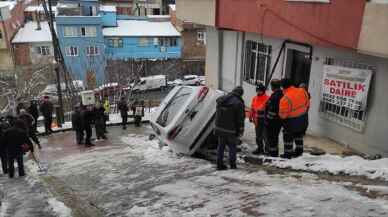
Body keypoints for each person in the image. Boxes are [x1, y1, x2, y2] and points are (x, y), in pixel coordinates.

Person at [214, 86, 245, 170]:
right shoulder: (239, 103)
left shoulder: (222, 99)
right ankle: (232, 165)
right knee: (232, 147)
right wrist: (241, 130)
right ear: (240, 94)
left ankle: (219, 164)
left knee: (220, 146)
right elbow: (240, 119)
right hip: (231, 130)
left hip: (219, 128)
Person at [279, 78, 310, 159]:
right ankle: (299, 151)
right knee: (299, 135)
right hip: (303, 118)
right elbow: (307, 104)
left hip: (291, 121)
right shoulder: (302, 91)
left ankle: (288, 154)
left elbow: (283, 115)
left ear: (282, 87)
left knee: (288, 137)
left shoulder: (285, 99)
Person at [264, 79, 283, 157]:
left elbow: (272, 110)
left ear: (273, 86)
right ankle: (273, 152)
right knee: (274, 137)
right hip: (278, 120)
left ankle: (272, 154)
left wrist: (267, 120)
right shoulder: (281, 94)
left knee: (272, 138)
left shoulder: (275, 96)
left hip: (273, 121)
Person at [249, 83, 269, 155]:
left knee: (265, 136)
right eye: (257, 90)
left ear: (263, 91)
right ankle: (260, 148)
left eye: (260, 91)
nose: (258, 92)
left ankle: (267, 150)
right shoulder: (255, 98)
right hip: (257, 120)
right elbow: (252, 108)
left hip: (264, 121)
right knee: (258, 136)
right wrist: (250, 116)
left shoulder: (267, 98)